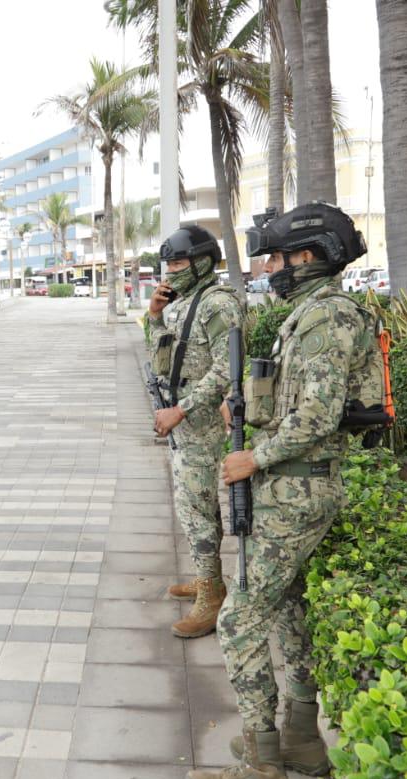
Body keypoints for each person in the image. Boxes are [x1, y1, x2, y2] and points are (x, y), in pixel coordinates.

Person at [186, 202, 375, 779]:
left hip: (296, 488)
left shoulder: (327, 319)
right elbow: (302, 401)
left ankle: (261, 766)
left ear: (311, 256)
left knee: (238, 620)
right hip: (296, 485)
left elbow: (318, 417)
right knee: (286, 610)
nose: (273, 268)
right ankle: (297, 737)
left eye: (280, 257)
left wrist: (253, 456)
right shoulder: (312, 315)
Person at [146, 224, 244, 639]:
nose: (171, 270)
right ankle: (208, 578)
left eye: (179, 262)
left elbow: (227, 367)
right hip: (181, 420)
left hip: (199, 421)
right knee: (190, 505)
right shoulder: (184, 301)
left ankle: (212, 594)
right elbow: (161, 353)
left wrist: (181, 411)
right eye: (167, 263)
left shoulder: (218, 304)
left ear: (204, 262)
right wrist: (153, 317)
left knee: (198, 506)